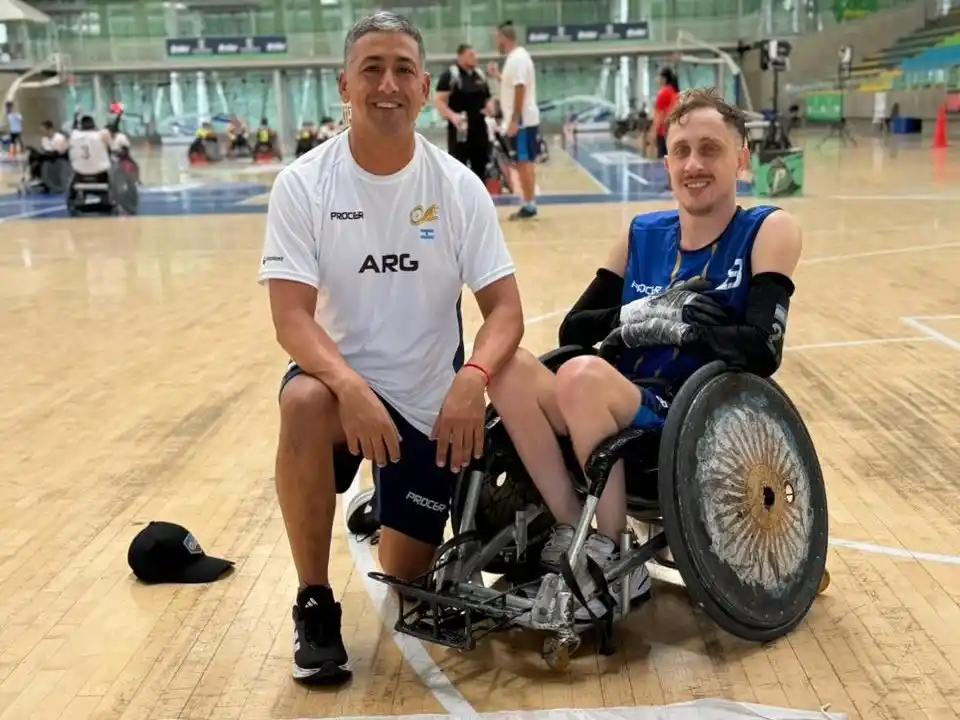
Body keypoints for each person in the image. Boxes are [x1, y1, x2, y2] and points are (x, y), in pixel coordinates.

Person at [258, 11, 523, 687]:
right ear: (344, 85)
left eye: (403, 69)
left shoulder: (457, 188)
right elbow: (290, 318)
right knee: (304, 400)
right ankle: (314, 600)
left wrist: (474, 378)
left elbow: (506, 311)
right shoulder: (304, 184)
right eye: (371, 69)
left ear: (423, 84)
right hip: (341, 390)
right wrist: (350, 387)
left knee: (409, 586)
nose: (387, 83)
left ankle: (390, 498)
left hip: (429, 409)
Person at [486, 87, 803, 618]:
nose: (694, 164)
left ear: (742, 159)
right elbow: (576, 325)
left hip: (689, 419)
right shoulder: (640, 235)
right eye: (681, 151)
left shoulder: (768, 230)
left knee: (583, 376)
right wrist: (639, 316)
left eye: (710, 149)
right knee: (508, 368)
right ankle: (574, 527)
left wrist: (696, 331)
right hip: (610, 400)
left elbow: (763, 349)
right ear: (666, 163)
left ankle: (614, 558)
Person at [491, 21, 540, 220]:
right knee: (521, 162)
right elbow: (514, 86)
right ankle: (529, 202)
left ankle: (529, 204)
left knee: (524, 161)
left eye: (497, 39)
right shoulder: (516, 58)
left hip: (523, 121)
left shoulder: (518, 58)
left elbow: (520, 88)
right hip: (522, 120)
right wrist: (498, 77)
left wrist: (514, 120)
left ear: (504, 38)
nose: (496, 43)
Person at [434, 43, 492, 183]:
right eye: (471, 55)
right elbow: (439, 101)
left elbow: (487, 98)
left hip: (479, 129)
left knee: (481, 169)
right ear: (461, 56)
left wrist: (489, 108)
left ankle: (479, 202)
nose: (475, 57)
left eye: (475, 54)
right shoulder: (451, 75)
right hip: (460, 131)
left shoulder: (480, 75)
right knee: (458, 169)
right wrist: (452, 116)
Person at [68, 113, 112, 180]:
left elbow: (73, 129)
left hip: (80, 171)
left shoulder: (74, 135)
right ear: (93, 125)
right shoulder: (101, 134)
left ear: (81, 126)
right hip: (100, 171)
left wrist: (75, 119)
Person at [651, 67, 680, 160]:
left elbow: (659, 115)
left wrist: (654, 132)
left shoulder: (664, 92)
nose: (656, 80)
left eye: (658, 77)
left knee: (663, 162)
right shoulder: (674, 91)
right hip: (674, 131)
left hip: (664, 132)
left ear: (663, 79)